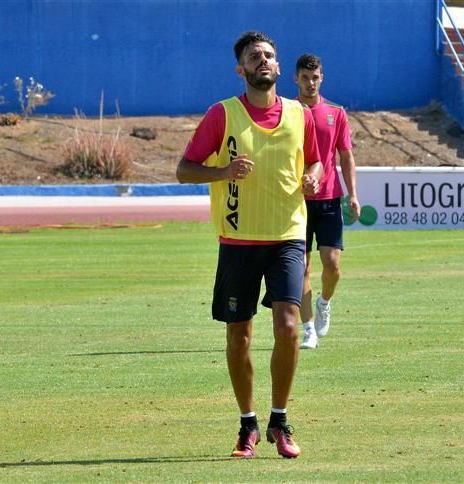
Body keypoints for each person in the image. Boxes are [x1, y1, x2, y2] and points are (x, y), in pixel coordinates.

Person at [176, 31, 323, 459]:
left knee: (289, 326)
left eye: (270, 56)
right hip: (238, 239)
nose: (264, 61)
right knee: (238, 335)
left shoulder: (300, 114)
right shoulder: (221, 115)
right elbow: (185, 170)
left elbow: (314, 158)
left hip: (288, 237)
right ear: (240, 69)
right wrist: (223, 171)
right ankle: (247, 424)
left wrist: (313, 174)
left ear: (279, 68)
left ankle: (280, 419)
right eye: (254, 56)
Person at [293, 53, 361, 350]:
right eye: (305, 77)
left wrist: (354, 195)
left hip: (330, 199)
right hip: (296, 201)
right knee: (301, 268)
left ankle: (324, 302)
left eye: (315, 77)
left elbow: (345, 156)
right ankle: (308, 329)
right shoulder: (287, 112)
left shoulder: (336, 113)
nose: (310, 82)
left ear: (322, 78)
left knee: (332, 265)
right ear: (296, 79)